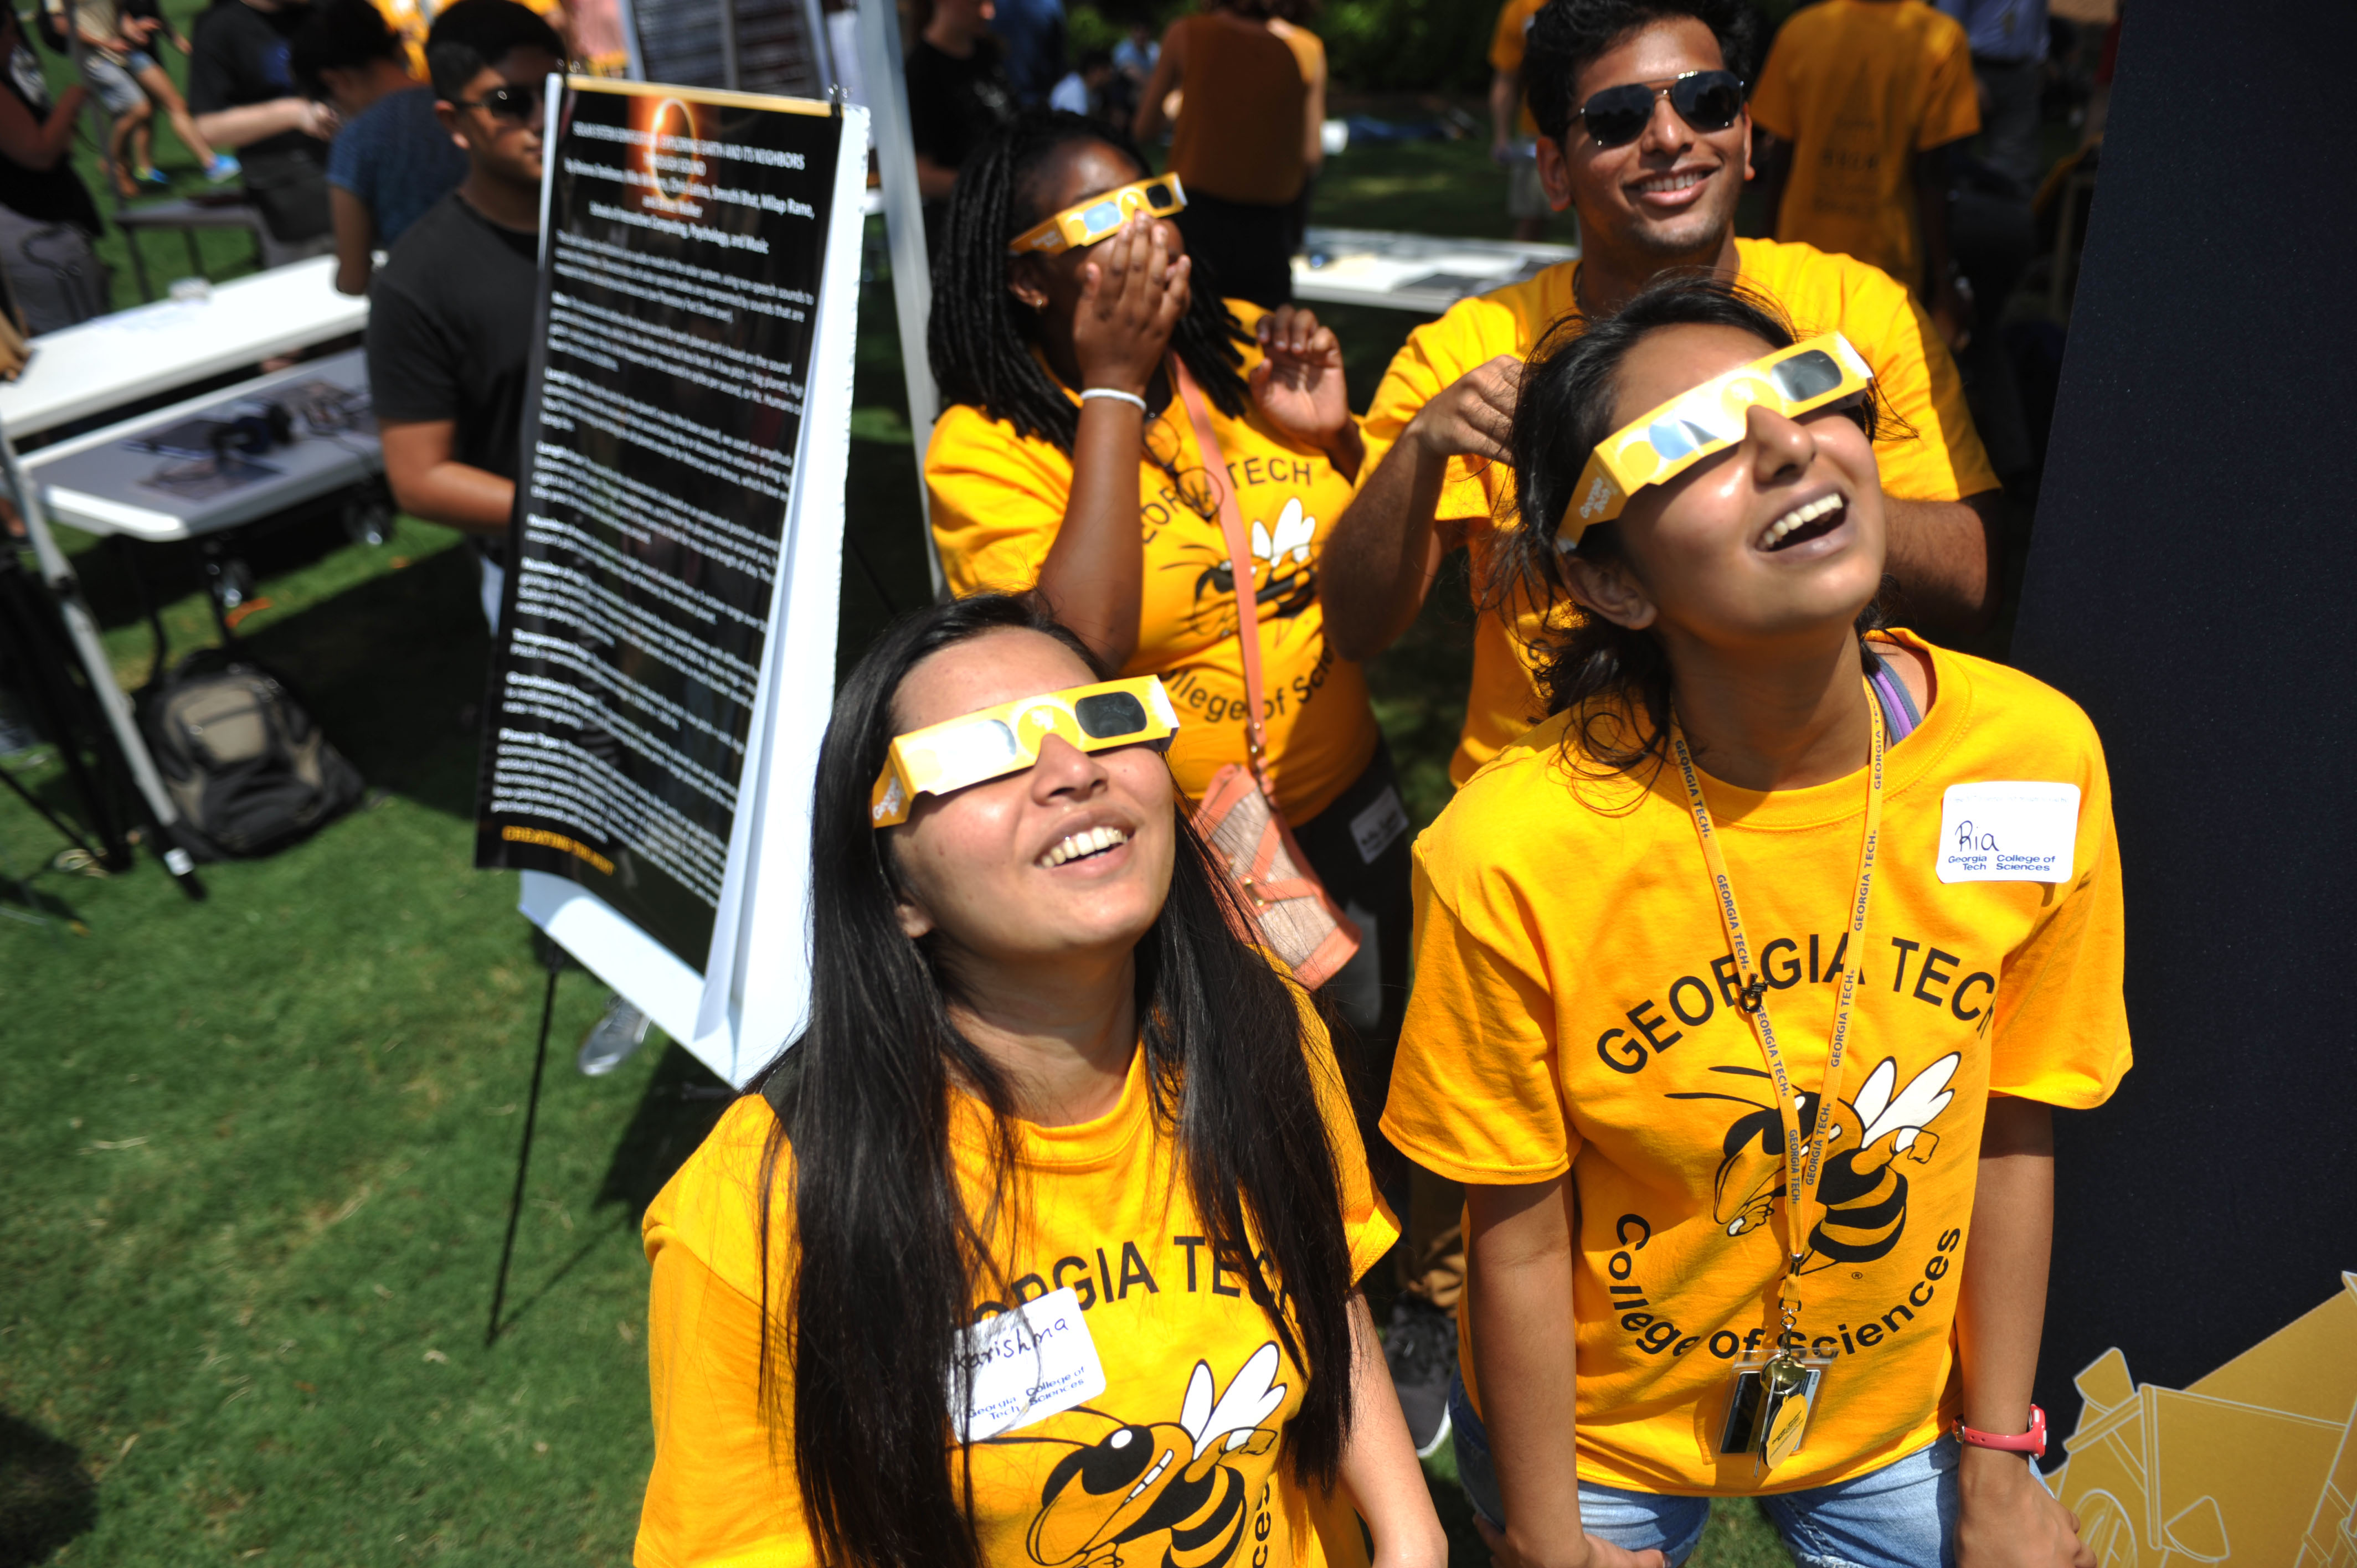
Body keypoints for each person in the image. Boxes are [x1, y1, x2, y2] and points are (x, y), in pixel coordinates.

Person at [1319, 0, 2003, 1458]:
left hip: (1800, 820)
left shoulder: (1852, 310)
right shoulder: (1477, 346)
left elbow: (1976, 567)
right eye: (1621, 119)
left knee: (1764, 1161)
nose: (1672, 135)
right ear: (1555, 164)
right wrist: (1428, 449)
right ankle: (1499, 1407)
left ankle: (1813, 1392)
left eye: (1704, 95)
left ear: (1750, 129)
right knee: (1506, 1195)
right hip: (1555, 850)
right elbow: (1365, 622)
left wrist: (1792, 479)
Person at [1382, 272, 2122, 1567]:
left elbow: (2019, 1122)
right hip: (1594, 1431)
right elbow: (1514, 1228)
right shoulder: (1508, 850)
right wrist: (1551, 1541)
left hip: (1905, 1420)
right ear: (1609, 583)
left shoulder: (2037, 757)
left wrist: (2001, 1462)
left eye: (1806, 392)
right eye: (1690, 445)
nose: (1786, 445)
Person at [636, 592, 1447, 1568]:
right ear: (894, 892)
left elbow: (1328, 1279)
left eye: (1105, 719)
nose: (1072, 771)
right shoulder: (760, 1207)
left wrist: (1411, 1534)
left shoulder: (1262, 1027)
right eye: (980, 754)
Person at [924, 111, 1412, 1117]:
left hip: (1347, 797)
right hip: (1184, 850)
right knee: (1244, 1093)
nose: (1150, 233)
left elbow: (1358, 564)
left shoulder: (1239, 350)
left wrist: (1339, 443)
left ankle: (1408, 1266)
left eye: (1155, 199)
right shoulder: (983, 447)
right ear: (1026, 280)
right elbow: (1070, 653)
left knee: (1390, 1050)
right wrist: (1111, 389)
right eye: (1105, 220)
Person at [1750, 0, 1981, 337]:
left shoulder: (1803, 30)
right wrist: (1945, 281)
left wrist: (1767, 245)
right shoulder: (1939, 38)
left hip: (1797, 260)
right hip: (1887, 265)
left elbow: (1781, 159)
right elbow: (1932, 175)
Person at [1133, 0, 1319, 310]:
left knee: (1190, 334)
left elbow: (1144, 128)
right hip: (1269, 229)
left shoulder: (1188, 33)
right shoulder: (1307, 49)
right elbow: (1311, 156)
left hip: (1194, 218)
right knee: (1263, 338)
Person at [291, 0, 467, 294]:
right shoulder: (459, 107)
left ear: (336, 80)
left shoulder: (356, 143)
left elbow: (353, 279)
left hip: (431, 305)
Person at [189, 0, 337, 256]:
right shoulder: (220, 27)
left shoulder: (327, 11)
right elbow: (209, 128)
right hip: (293, 204)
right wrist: (294, 113)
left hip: (361, 181)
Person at [0, 4, 108, 330]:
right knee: (74, 331)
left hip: (40, 222)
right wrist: (70, 102)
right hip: (33, 229)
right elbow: (38, 153)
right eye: (9, 31)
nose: (17, 41)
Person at [68, 0, 230, 195]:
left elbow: (128, 15)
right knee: (153, 108)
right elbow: (65, 26)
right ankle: (211, 163)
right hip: (111, 54)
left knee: (153, 110)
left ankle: (145, 169)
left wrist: (135, 30)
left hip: (131, 50)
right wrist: (116, 38)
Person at [905, 0, 1016, 228]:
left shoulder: (988, 52)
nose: (988, 13)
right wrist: (995, 189)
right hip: (967, 226)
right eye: (976, 3)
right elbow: (921, 176)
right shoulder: (921, 72)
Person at [1936, 0, 2049, 194]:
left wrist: (2040, 60)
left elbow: (2039, 13)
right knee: (1947, 157)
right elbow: (1946, 22)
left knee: (2014, 169)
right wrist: (1967, 74)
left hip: (2020, 71)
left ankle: (2003, 218)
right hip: (1970, 67)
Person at [1489, 0, 1552, 243]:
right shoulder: (1522, 8)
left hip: (1595, 126)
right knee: (1531, 219)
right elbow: (1505, 77)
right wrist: (1501, 138)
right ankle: (1522, 278)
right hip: (1536, 133)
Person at [985, 0, 1063, 106]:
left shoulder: (990, 5)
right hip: (1036, 98)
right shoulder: (1049, 5)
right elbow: (1058, 61)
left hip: (995, 98)